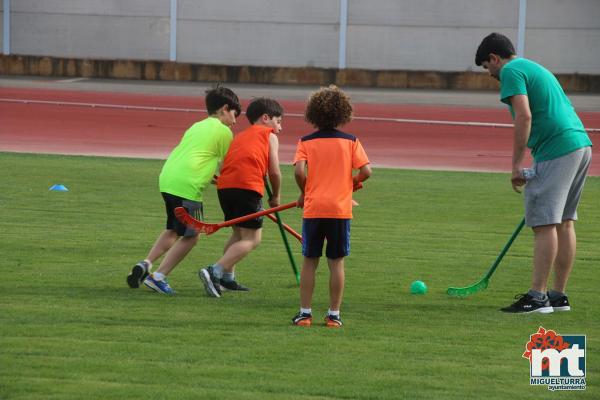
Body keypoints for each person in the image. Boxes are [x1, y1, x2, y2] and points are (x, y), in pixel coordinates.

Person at [475, 33, 592, 313]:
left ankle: (537, 298)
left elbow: (524, 116)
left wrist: (516, 164)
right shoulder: (533, 67)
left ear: (495, 58)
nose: (490, 73)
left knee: (544, 224)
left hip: (557, 149)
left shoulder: (511, 70)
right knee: (564, 222)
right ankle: (557, 296)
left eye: (486, 66)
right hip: (579, 144)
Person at [126, 87, 241, 295]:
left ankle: (146, 263)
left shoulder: (197, 125)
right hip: (188, 187)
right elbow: (228, 167)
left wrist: (210, 177)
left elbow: (198, 155)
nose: (235, 121)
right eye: (235, 115)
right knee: (192, 236)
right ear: (225, 109)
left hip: (168, 180)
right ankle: (158, 277)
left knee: (174, 229)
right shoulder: (224, 132)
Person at [291, 85, 371, 327]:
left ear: (313, 114)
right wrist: (353, 182)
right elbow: (367, 171)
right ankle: (334, 315)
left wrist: (304, 192)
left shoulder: (306, 142)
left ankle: (305, 313)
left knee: (309, 260)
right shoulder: (351, 142)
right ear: (343, 113)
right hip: (339, 209)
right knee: (336, 262)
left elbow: (298, 170)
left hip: (314, 208)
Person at [199, 98, 284, 298]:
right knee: (253, 239)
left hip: (225, 188)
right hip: (246, 187)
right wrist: (276, 196)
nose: (279, 128)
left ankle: (227, 279)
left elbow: (229, 163)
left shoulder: (240, 136)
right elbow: (275, 172)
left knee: (238, 234)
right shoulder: (269, 135)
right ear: (265, 118)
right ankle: (215, 270)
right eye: (278, 121)